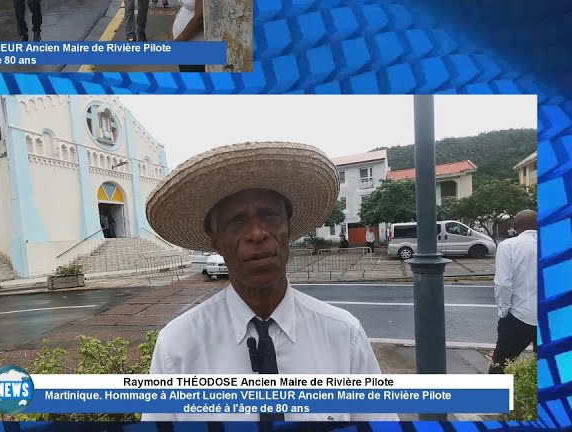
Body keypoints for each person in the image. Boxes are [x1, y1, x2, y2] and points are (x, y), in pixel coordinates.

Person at [143, 142, 394, 423]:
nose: (257, 233)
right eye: (237, 221)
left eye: (269, 216)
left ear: (288, 226)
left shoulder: (343, 335)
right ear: (215, 241)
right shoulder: (177, 346)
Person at [490, 209, 537, 373]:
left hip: (519, 316)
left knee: (499, 366)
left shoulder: (508, 246)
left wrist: (504, 312)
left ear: (515, 226)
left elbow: (503, 284)